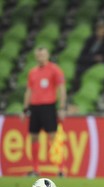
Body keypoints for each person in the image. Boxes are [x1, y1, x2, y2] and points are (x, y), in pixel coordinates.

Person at [22, 47, 67, 177]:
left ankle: (60, 168)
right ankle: (35, 168)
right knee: (34, 137)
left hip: (48, 106)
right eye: (38, 55)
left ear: (47, 55)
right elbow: (29, 90)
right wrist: (25, 108)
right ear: (36, 57)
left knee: (53, 137)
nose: (40, 57)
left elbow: (61, 88)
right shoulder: (32, 72)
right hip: (35, 107)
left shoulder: (54, 69)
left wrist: (62, 107)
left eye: (43, 54)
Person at [73, 20, 104, 92]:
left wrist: (99, 58)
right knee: (79, 67)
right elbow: (84, 52)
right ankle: (77, 90)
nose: (103, 31)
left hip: (99, 63)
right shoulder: (90, 39)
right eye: (100, 29)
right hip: (88, 59)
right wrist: (92, 57)